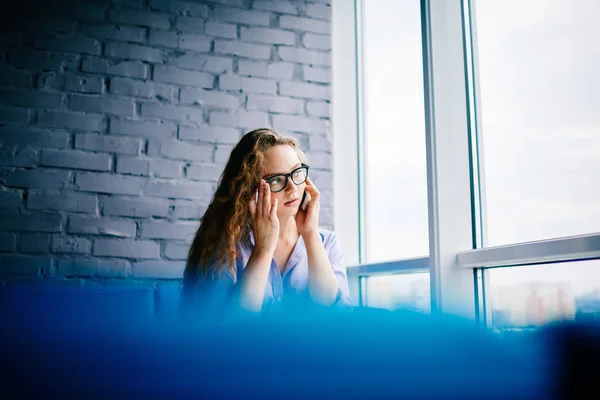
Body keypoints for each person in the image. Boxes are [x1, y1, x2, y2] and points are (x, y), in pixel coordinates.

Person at [182, 128, 352, 316]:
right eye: (277, 180)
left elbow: (337, 312)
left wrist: (310, 233)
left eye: (297, 172)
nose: (292, 187)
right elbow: (224, 326)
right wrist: (263, 249)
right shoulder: (227, 247)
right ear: (249, 191)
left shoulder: (327, 242)